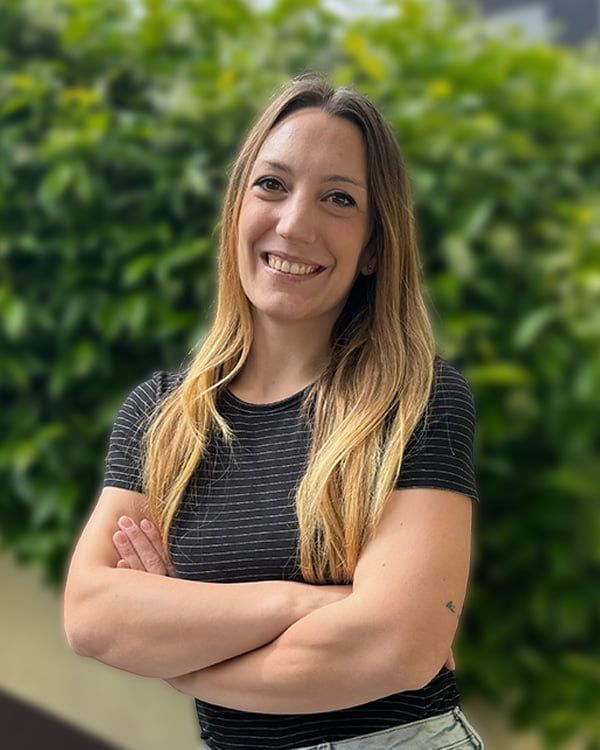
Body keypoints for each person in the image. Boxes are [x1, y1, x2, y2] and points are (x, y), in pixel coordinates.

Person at [64, 73, 485, 750]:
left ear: (375, 246)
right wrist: (303, 601)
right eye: (271, 185)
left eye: (339, 199)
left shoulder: (418, 402)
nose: (294, 224)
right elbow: (92, 616)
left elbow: (393, 648)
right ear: (237, 207)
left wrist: (180, 658)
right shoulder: (162, 417)